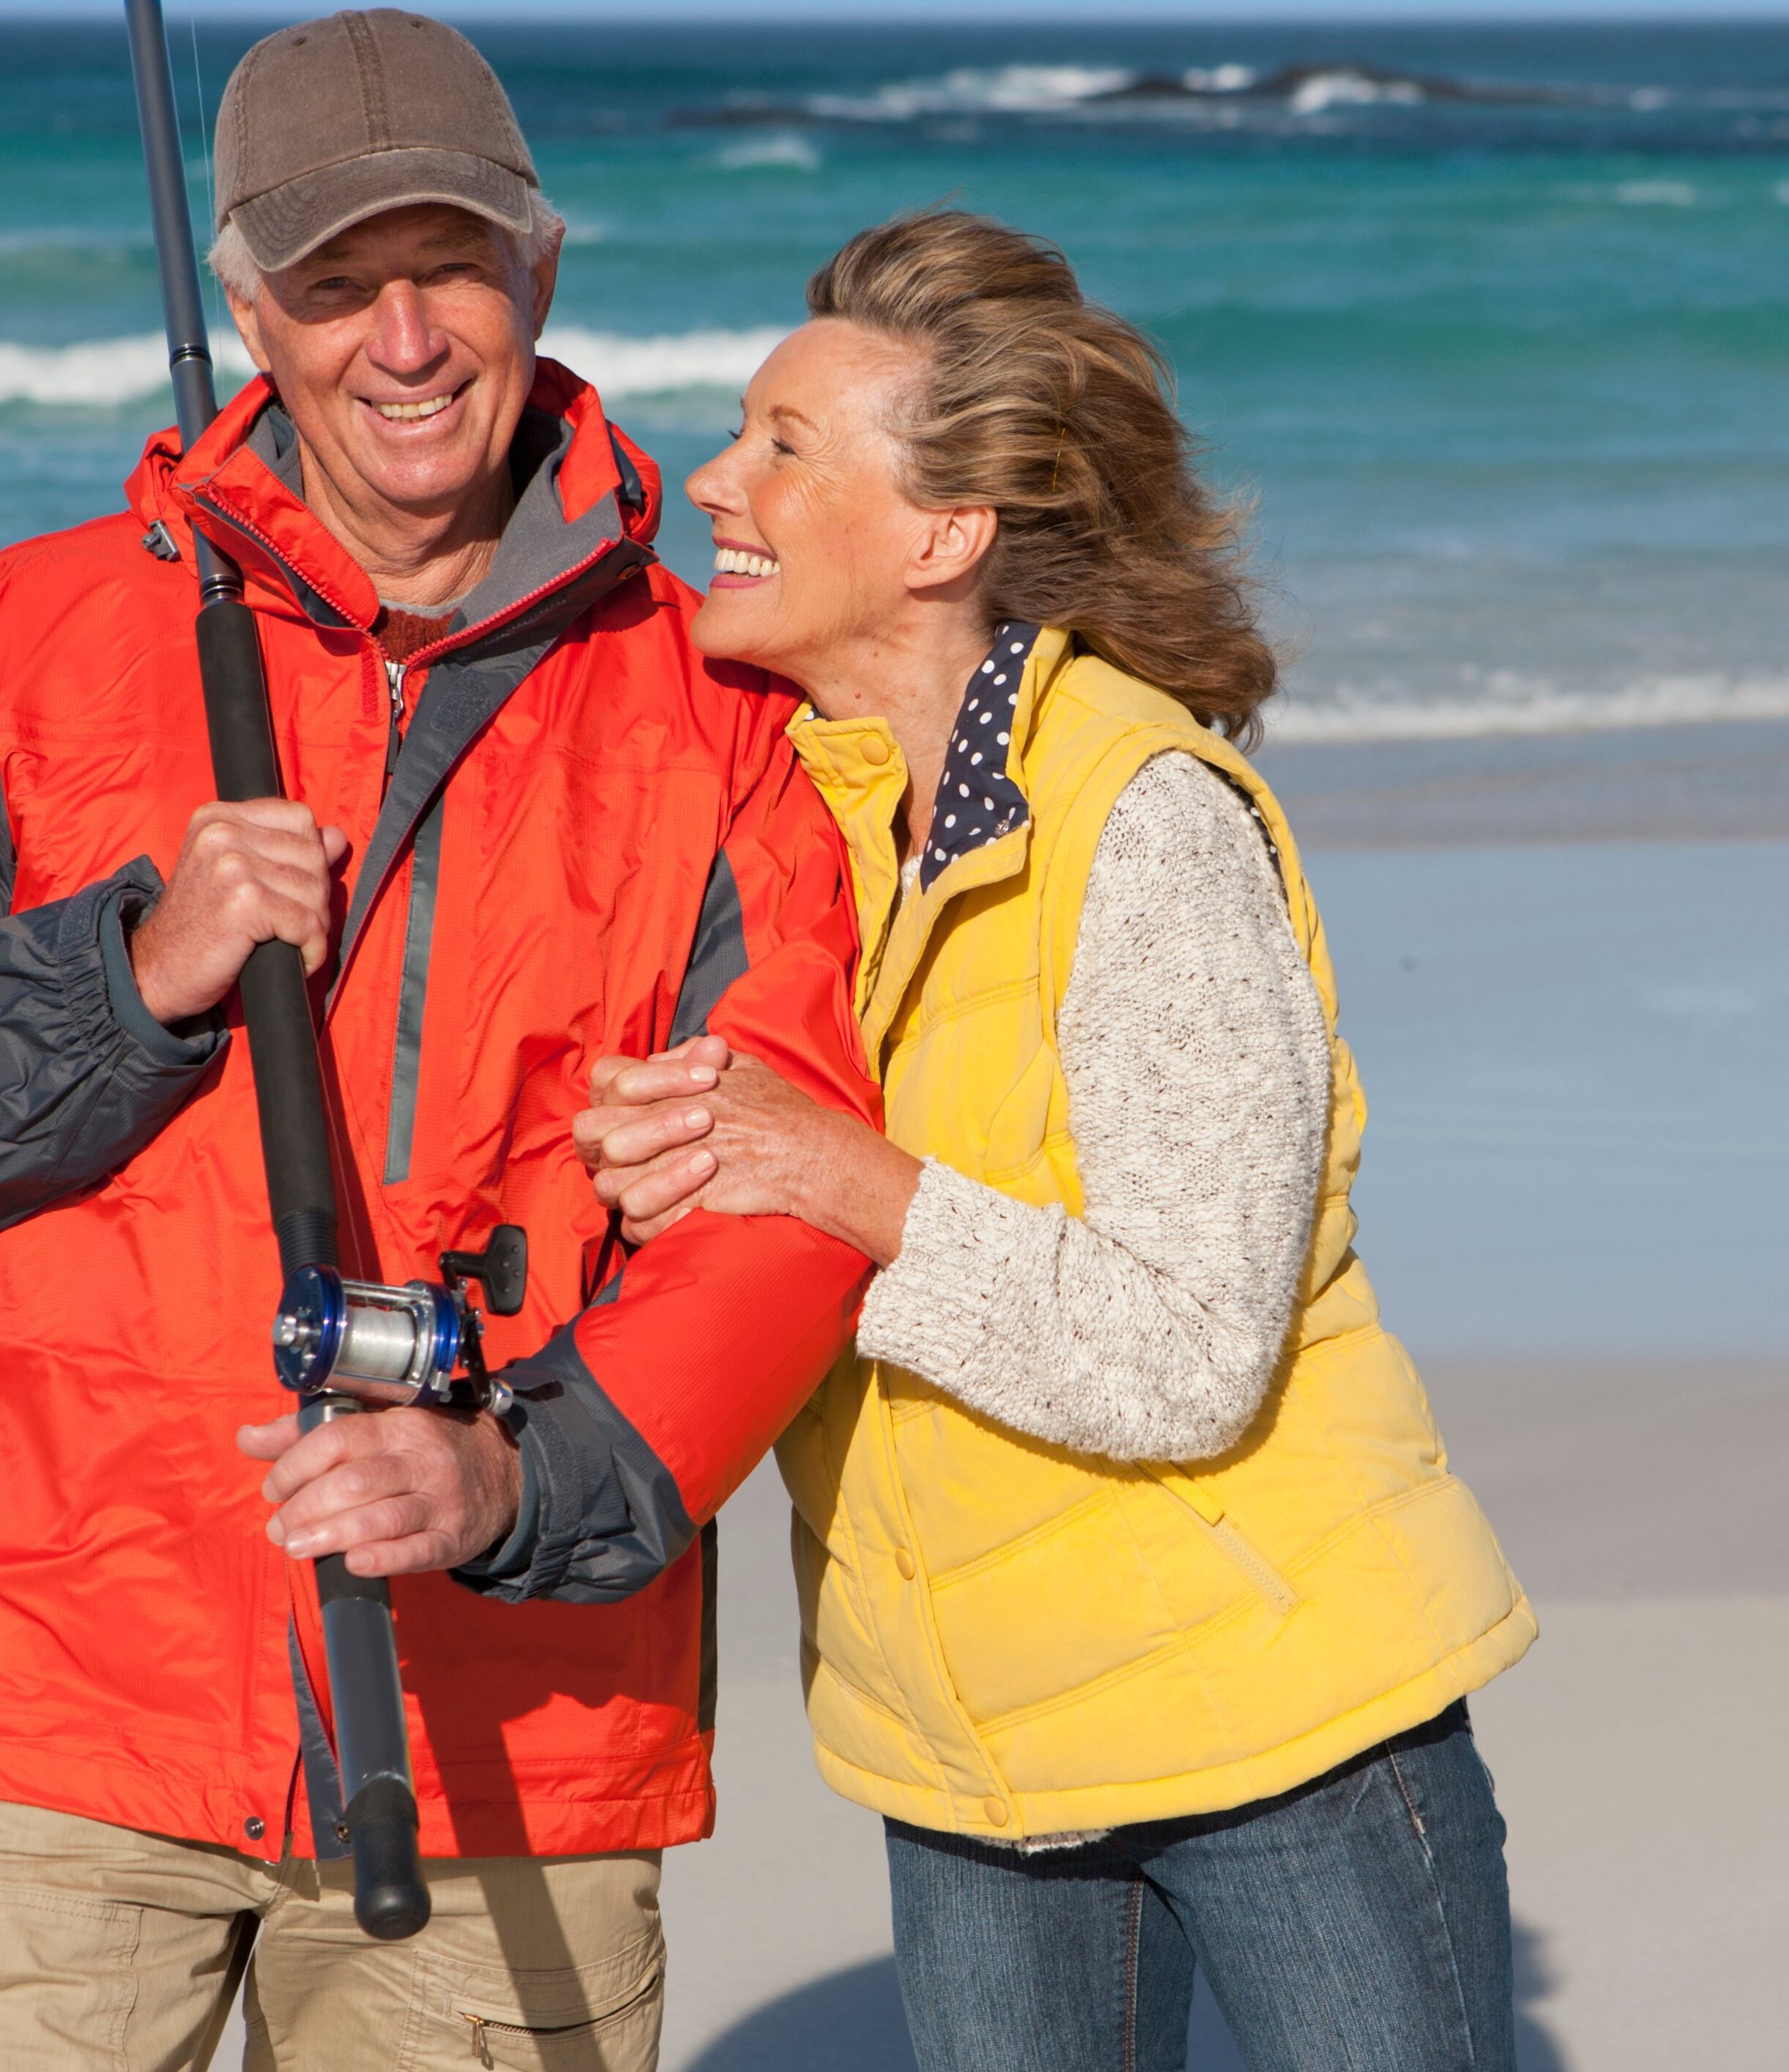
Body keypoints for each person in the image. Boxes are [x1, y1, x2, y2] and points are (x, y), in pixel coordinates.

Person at [0, 14, 878, 2068]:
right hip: (52, 1709)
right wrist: (126, 973)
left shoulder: (715, 710)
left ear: (539, 269)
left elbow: (778, 1207)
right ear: (248, 308)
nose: (401, 337)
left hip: (514, 1722)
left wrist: (517, 1474)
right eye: (334, 284)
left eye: (444, 264)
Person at [578, 211, 1536, 2072]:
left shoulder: (1145, 821)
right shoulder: (802, 819)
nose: (715, 479)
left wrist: (833, 1176)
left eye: (785, 442)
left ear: (940, 537)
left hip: (1281, 1723)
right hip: (963, 1741)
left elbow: (1184, 1351)